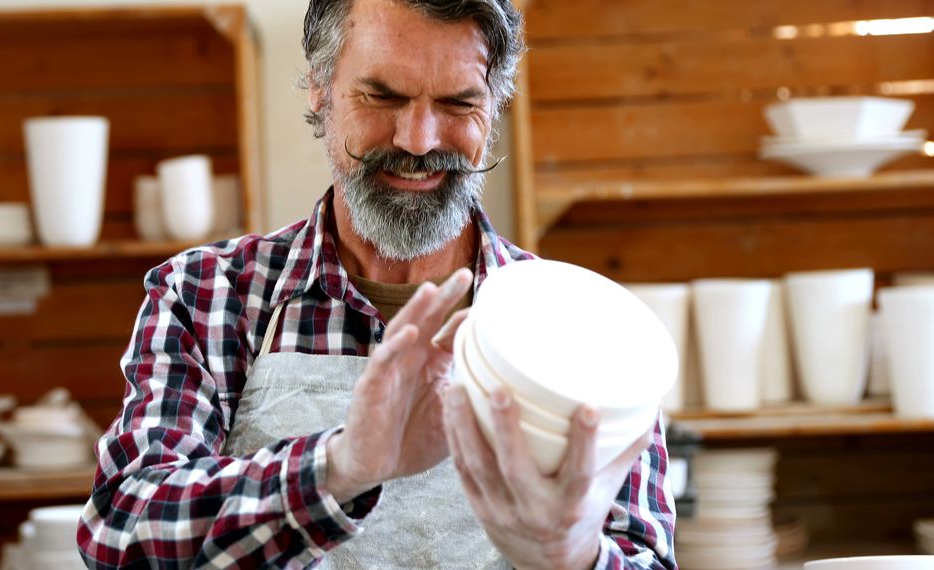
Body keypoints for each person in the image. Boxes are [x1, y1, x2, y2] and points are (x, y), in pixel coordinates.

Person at [77, 0, 676, 568]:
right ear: (320, 87)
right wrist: (339, 467)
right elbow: (121, 532)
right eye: (382, 95)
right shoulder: (212, 295)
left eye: (458, 103)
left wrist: (575, 559)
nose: (419, 139)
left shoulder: (584, 327)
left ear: (494, 107)